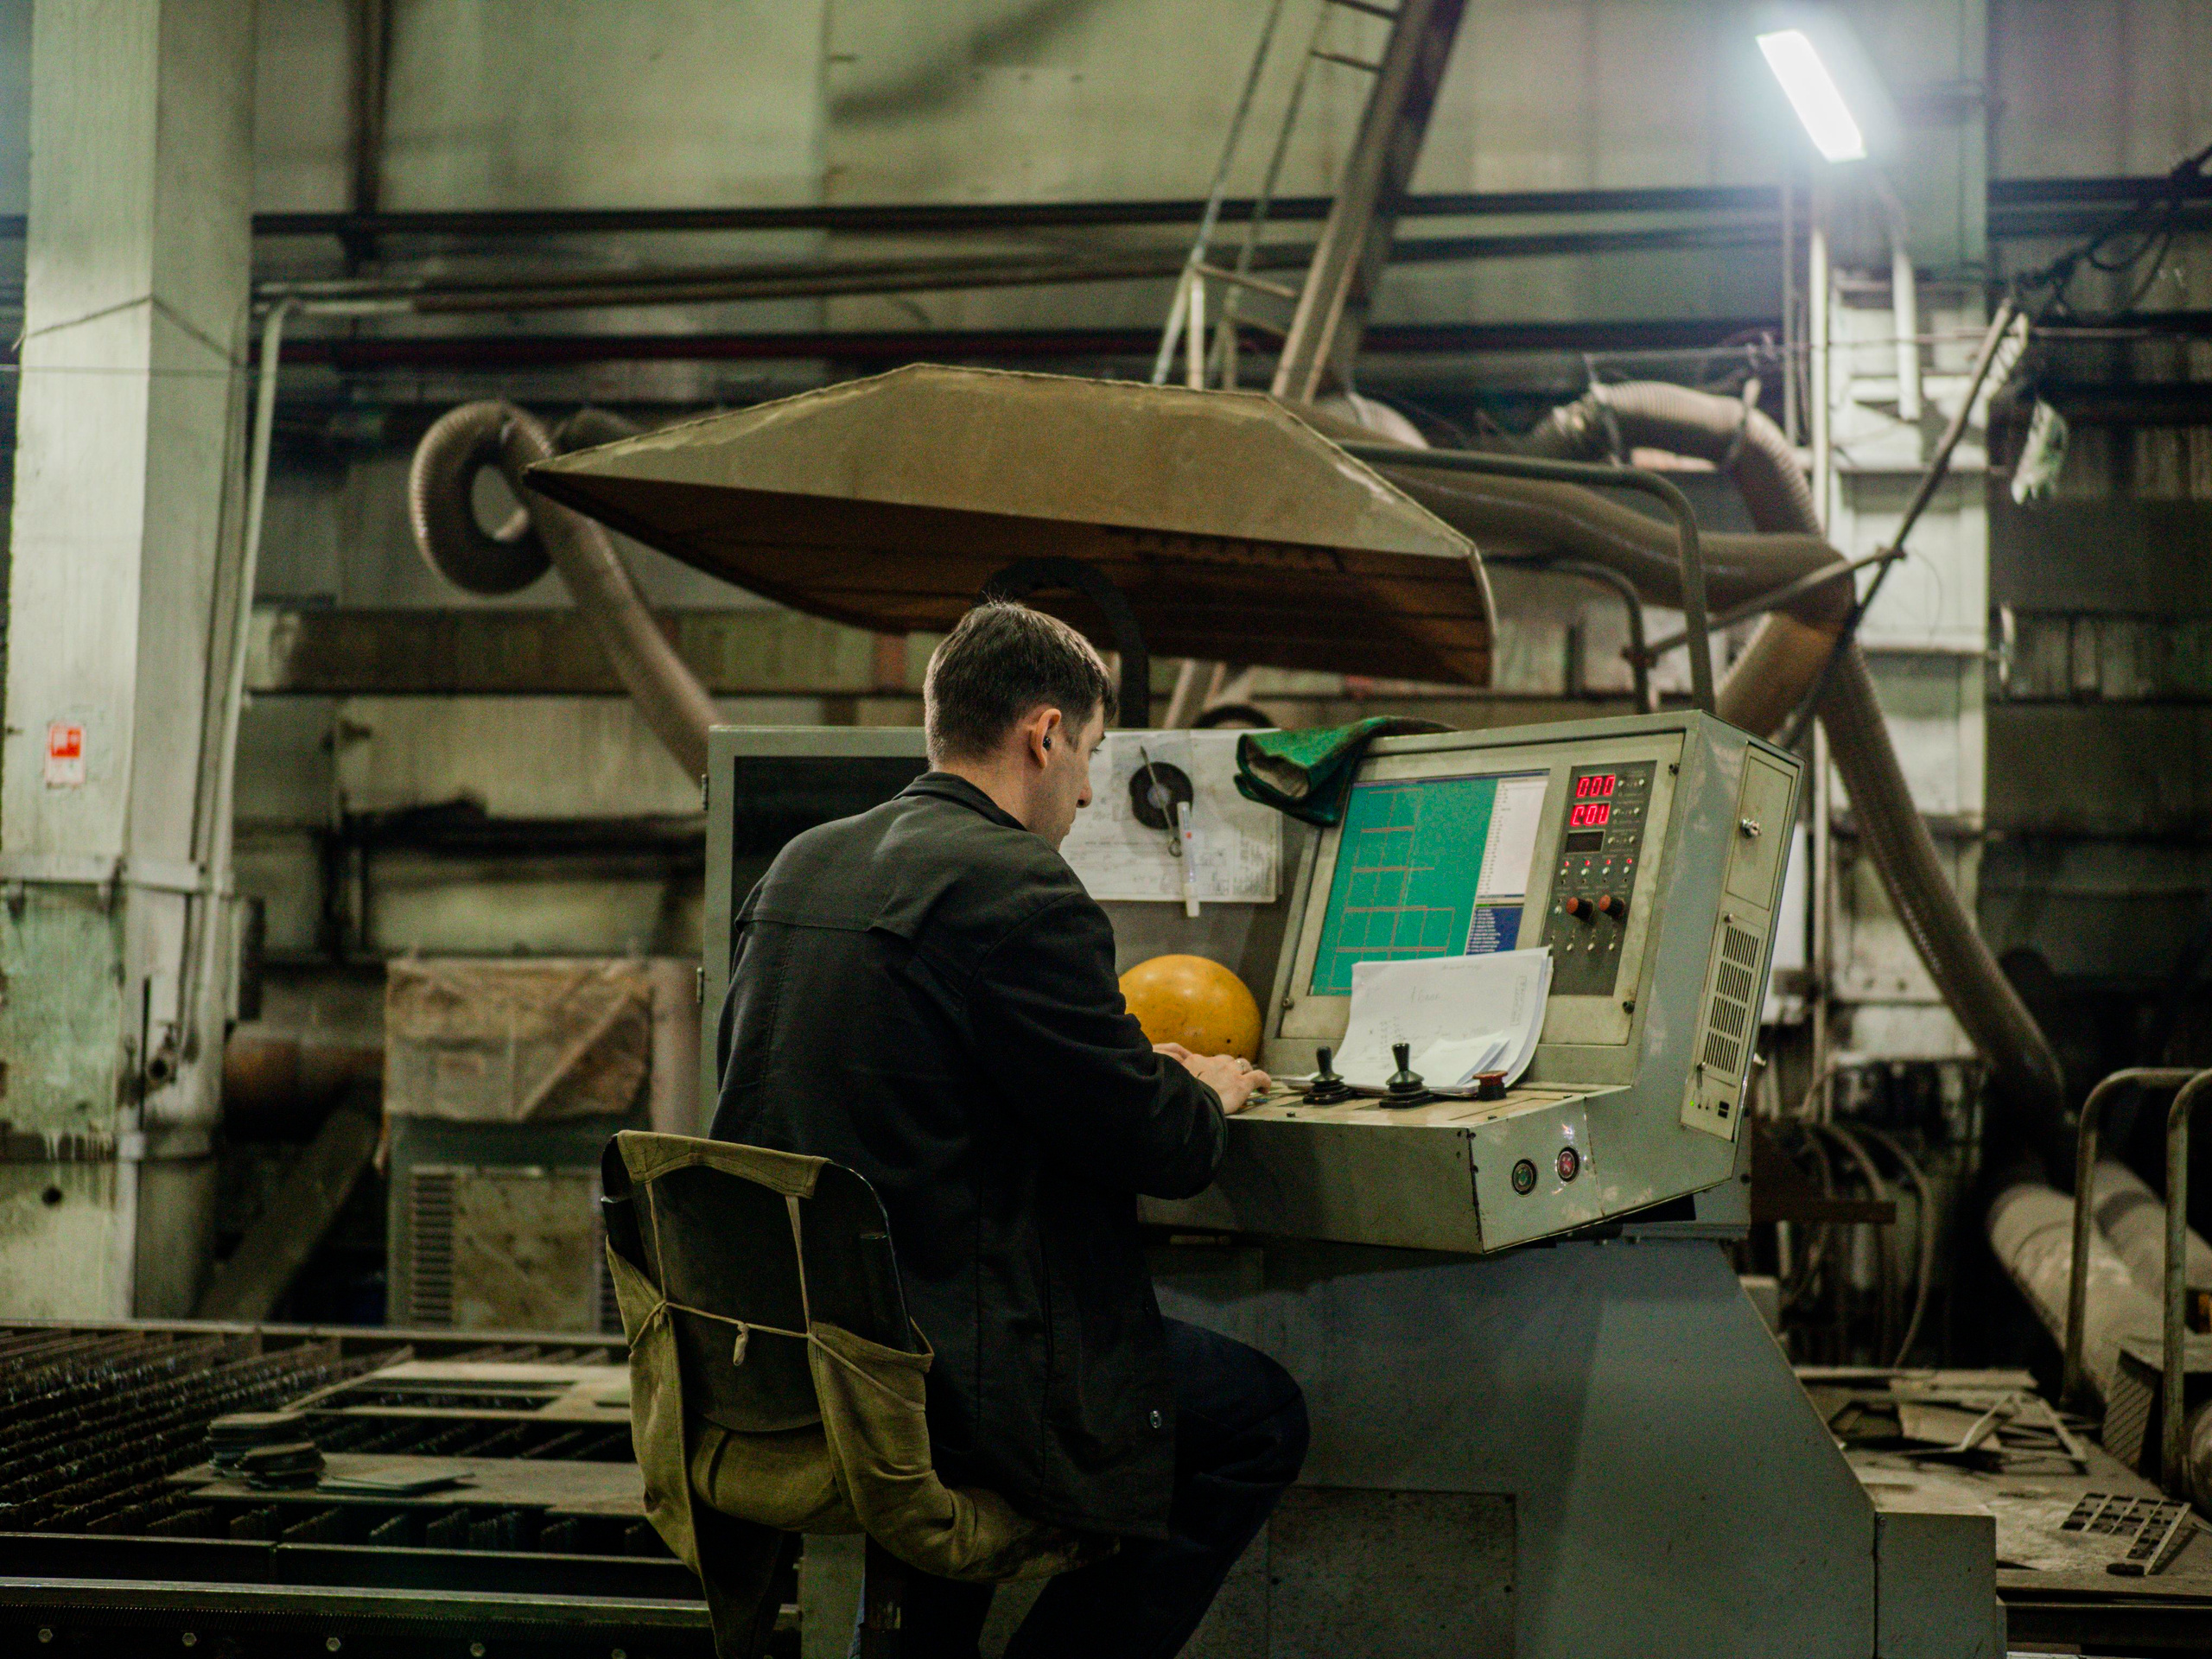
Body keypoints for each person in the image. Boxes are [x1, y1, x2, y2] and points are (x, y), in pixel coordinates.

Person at [711, 600, 1307, 1658]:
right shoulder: (1021, 887)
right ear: (1044, 733)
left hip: (790, 1355)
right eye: (1089, 755)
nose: (1086, 792)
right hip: (940, 1377)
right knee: (1257, 1421)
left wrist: (1119, 1071)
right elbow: (1161, 1149)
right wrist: (1202, 1091)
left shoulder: (801, 864)